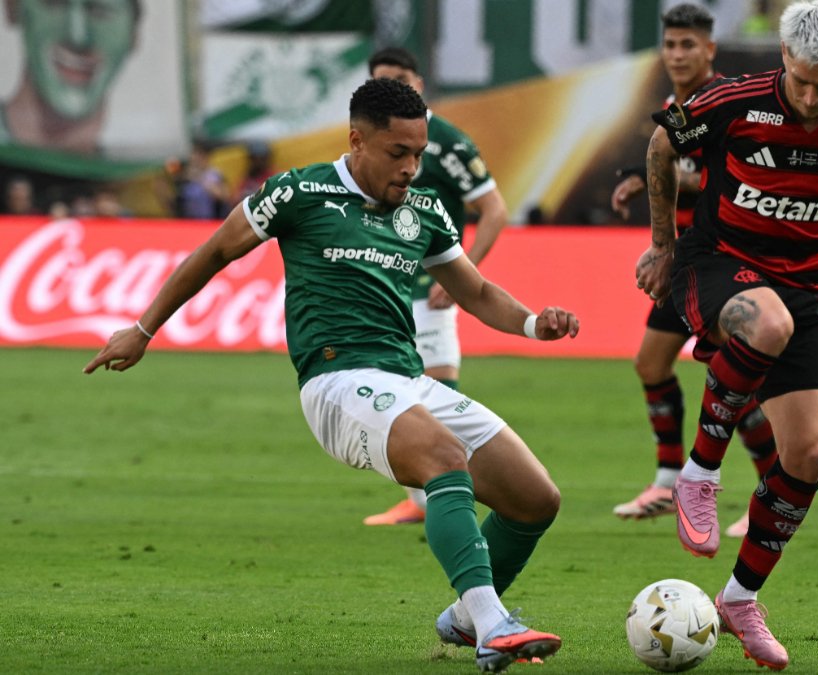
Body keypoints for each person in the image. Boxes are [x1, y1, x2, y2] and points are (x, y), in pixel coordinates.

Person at [84, 77, 577, 672]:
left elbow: (473, 291)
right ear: (357, 141)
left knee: (535, 499)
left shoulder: (423, 210)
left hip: (408, 379)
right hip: (337, 383)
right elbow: (215, 251)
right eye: (399, 154)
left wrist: (531, 325)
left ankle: (469, 615)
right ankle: (494, 627)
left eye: (419, 154)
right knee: (443, 458)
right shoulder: (299, 192)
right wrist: (143, 329)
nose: (411, 169)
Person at [635, 1, 818, 668]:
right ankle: (697, 473)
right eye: (799, 79)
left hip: (807, 292)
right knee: (763, 321)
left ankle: (740, 599)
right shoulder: (734, 101)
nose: (807, 96)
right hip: (715, 264)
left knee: (808, 453)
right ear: (783, 58)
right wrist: (662, 243)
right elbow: (663, 143)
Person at [610, 3, 778, 538]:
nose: (678, 54)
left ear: (710, 49)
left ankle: (768, 493)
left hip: (720, 265)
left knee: (736, 382)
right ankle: (665, 479)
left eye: (689, 45)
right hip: (683, 267)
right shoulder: (671, 106)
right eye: (671, 44)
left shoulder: (728, 105)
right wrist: (643, 175)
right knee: (650, 364)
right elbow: (678, 165)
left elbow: (730, 180)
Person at [361, 47, 512, 527]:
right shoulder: (365, 142)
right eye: (386, 81)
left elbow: (494, 209)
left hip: (429, 286)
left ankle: (449, 492)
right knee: (393, 393)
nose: (398, 88)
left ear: (420, 84)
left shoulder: (446, 142)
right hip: (384, 285)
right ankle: (420, 497)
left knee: (437, 390)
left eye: (403, 80)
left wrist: (465, 270)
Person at [0, 0, 141, 154]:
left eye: (101, 11)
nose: (77, 36)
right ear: (12, 7)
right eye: (55, 5)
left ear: (134, 32)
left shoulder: (154, 168)